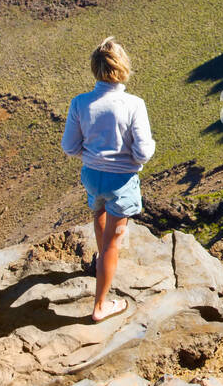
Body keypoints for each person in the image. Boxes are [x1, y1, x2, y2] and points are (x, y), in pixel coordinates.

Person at [61, 36, 155, 322]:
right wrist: (146, 148)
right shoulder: (133, 104)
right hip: (121, 182)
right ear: (122, 67)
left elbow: (69, 146)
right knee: (114, 243)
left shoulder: (80, 103)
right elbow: (141, 153)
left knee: (98, 211)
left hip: (92, 177)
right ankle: (101, 305)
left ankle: (102, 263)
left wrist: (93, 156)